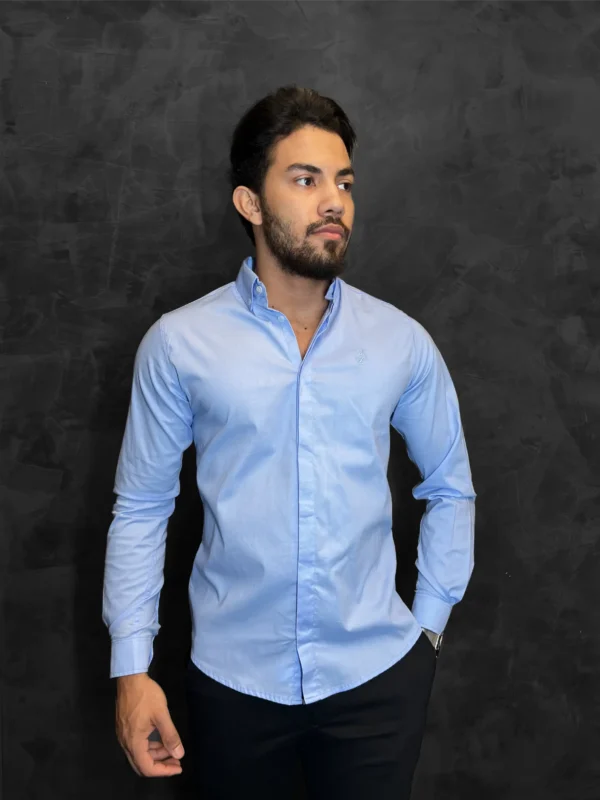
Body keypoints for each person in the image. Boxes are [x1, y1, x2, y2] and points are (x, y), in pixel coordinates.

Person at [102, 84, 476, 799]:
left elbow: (450, 487)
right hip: (233, 687)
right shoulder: (179, 344)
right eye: (305, 180)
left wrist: (427, 630)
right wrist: (131, 668)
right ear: (250, 202)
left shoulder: (400, 342)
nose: (334, 201)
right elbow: (143, 508)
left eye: (344, 183)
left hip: (377, 684)